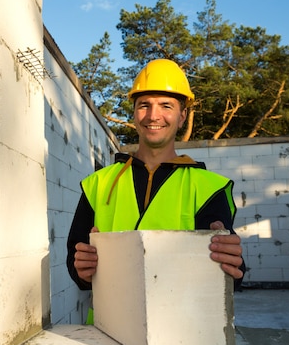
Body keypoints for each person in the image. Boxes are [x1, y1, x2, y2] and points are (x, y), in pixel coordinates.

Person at [66, 59, 246, 316]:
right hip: (109, 332)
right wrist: (83, 270)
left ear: (182, 116)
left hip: (181, 334)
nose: (153, 116)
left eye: (166, 106)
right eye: (144, 105)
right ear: (134, 113)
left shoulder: (209, 188)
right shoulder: (98, 183)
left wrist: (234, 263)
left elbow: (227, 274)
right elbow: (76, 264)